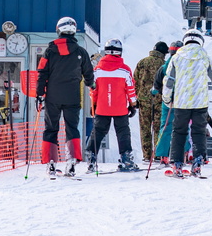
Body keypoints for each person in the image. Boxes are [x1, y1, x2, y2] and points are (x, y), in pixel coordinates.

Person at [35, 16, 95, 177]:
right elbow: (89, 73)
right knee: (72, 128)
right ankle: (72, 160)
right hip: (73, 96)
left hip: (52, 96)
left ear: (59, 30)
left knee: (50, 128)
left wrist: (39, 94)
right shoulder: (81, 52)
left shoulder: (49, 51)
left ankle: (51, 163)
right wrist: (92, 84)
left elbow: (42, 73)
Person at [162, 28, 212, 178]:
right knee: (199, 132)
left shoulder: (177, 57)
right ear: (200, 40)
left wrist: (167, 98)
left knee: (179, 131)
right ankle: (198, 162)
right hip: (200, 102)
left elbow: (169, 81)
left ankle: (176, 163)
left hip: (181, 103)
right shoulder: (204, 56)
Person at [85, 38, 140, 173]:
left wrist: (95, 104)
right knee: (123, 132)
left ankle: (91, 158)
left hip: (102, 107)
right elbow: (131, 89)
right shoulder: (125, 70)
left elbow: (93, 90)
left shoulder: (98, 70)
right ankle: (126, 159)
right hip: (120, 108)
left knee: (98, 131)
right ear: (119, 52)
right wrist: (133, 105)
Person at [133, 41, 167, 163]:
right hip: (159, 100)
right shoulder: (164, 64)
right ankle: (158, 154)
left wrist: (137, 96)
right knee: (158, 127)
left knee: (145, 128)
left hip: (143, 100)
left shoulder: (142, 62)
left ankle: (147, 156)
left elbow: (135, 80)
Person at [153, 40, 182, 163]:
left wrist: (159, 92)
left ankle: (163, 155)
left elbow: (156, 85)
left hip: (167, 101)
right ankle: (185, 153)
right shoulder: (185, 66)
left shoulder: (164, 67)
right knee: (182, 127)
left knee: (165, 127)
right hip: (182, 101)